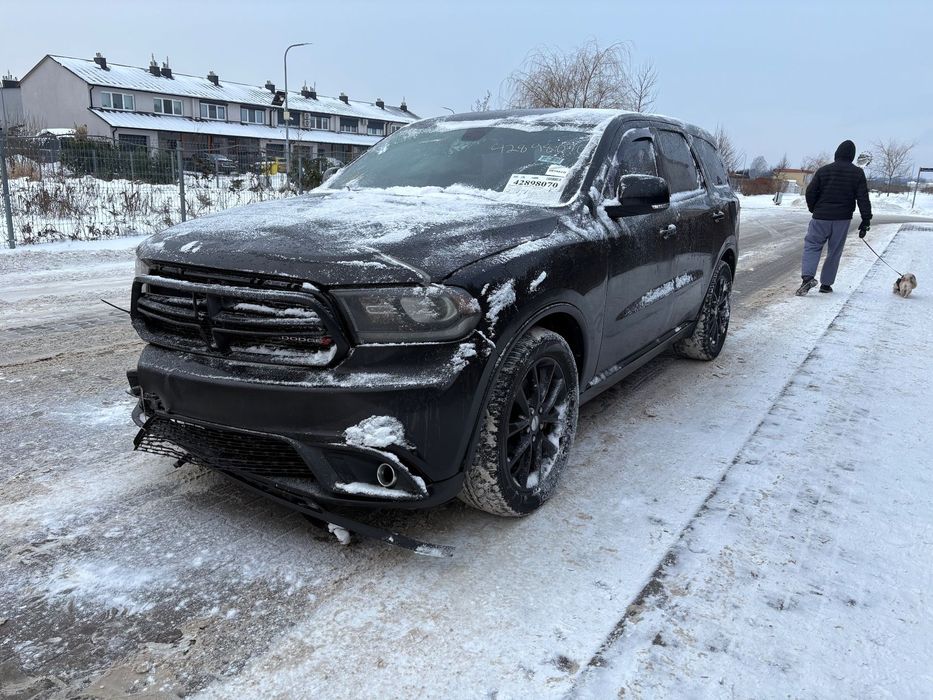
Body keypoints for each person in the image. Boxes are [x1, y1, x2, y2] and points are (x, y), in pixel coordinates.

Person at [796, 140, 872, 296]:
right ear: (852, 156)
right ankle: (826, 284)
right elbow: (863, 198)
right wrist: (866, 221)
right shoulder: (857, 173)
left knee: (812, 245)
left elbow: (810, 192)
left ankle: (807, 278)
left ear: (837, 153)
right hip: (842, 219)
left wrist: (814, 209)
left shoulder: (824, 170)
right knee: (834, 251)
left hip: (820, 218)